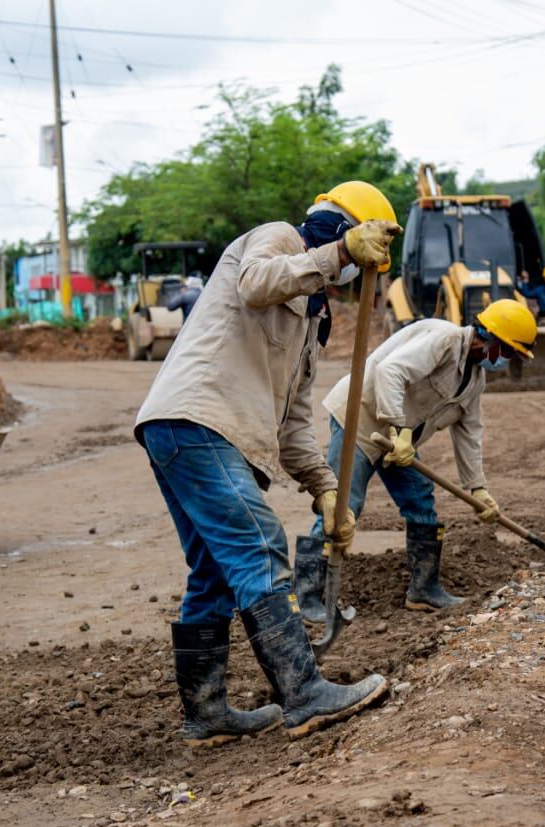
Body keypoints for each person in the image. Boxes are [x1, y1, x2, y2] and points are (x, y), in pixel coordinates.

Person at [134, 181, 402, 745]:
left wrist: (326, 489)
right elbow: (255, 284)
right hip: (198, 420)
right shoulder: (278, 239)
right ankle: (303, 693)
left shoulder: (309, 320)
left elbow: (294, 423)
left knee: (213, 574)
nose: (350, 272)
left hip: (195, 434)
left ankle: (207, 714)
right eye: (355, 253)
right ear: (341, 229)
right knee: (259, 543)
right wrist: (338, 253)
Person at [293, 300, 536, 621]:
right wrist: (398, 428)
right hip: (360, 419)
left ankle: (424, 589)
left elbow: (469, 434)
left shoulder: (475, 379)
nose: (506, 361)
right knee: (342, 507)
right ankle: (306, 596)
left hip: (399, 441)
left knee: (421, 501)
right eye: (508, 353)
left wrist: (477, 488)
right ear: (492, 340)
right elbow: (390, 372)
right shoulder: (444, 339)